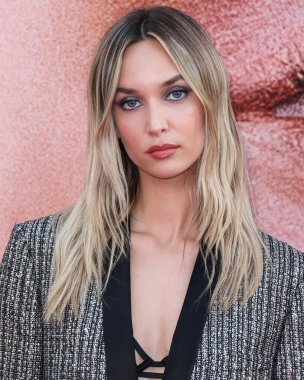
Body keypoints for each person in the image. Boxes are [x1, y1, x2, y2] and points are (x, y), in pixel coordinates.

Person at [0, 6, 303, 380]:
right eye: (130, 102)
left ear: (211, 102)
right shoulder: (40, 253)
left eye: (176, 94)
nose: (155, 124)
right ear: (111, 122)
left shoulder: (282, 277)